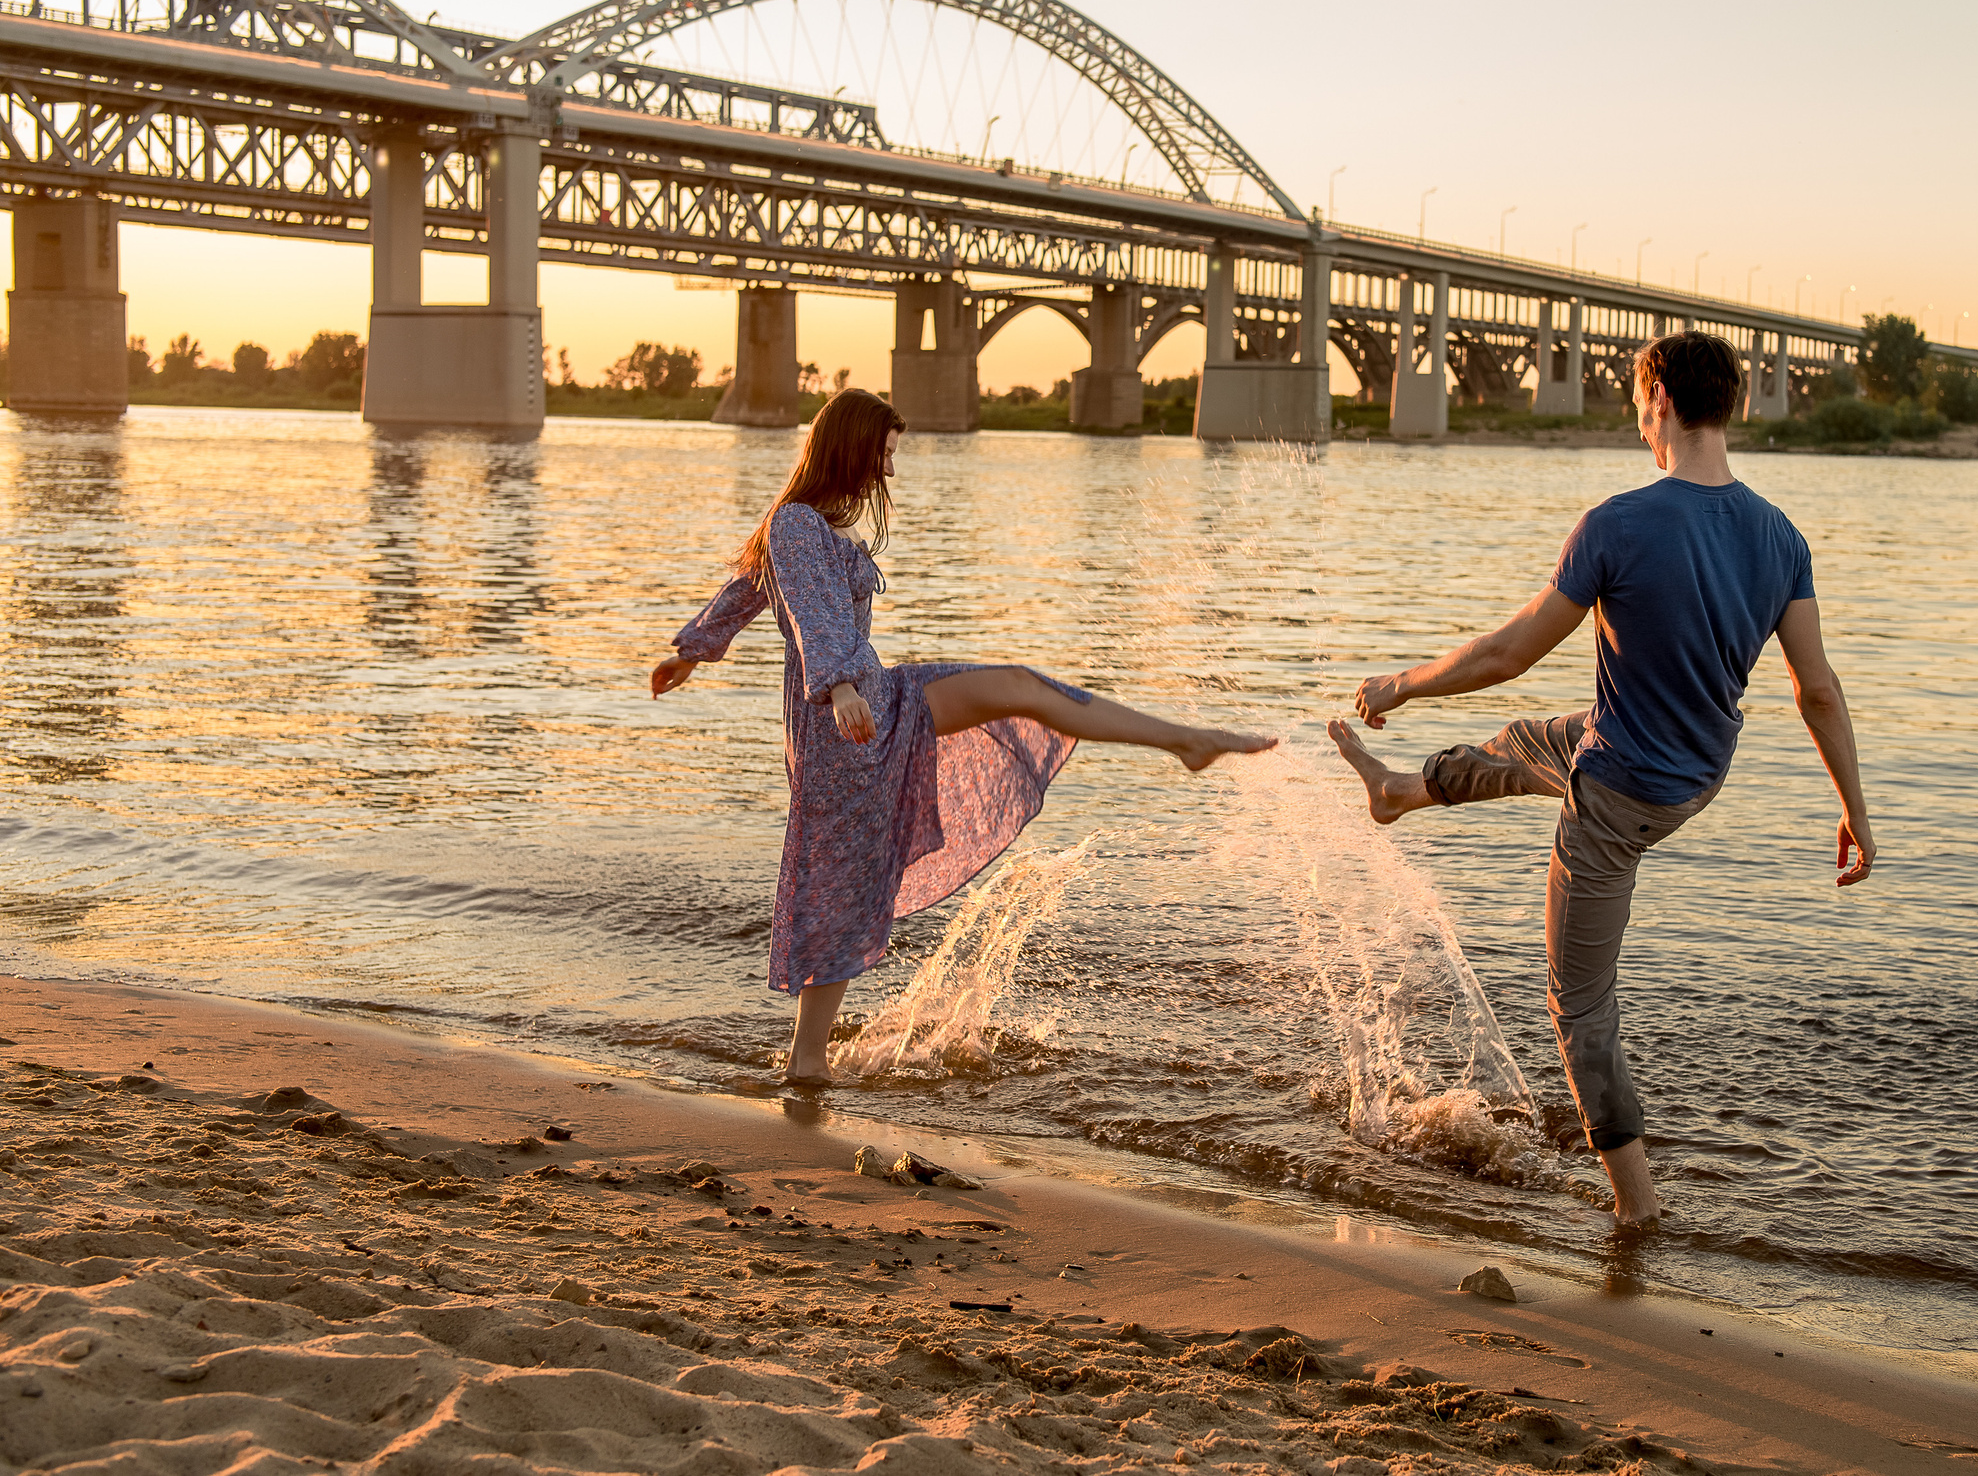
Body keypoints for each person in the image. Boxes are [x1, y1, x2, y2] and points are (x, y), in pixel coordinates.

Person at [1327, 330, 1876, 1229]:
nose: (1634, 414)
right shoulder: (1782, 537)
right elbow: (1816, 688)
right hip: (1698, 769)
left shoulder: (1618, 523)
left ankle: (1637, 1209)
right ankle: (1402, 791)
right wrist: (1855, 810)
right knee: (1530, 741)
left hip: (1620, 791)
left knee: (1579, 1004)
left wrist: (1401, 684)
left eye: (1634, 398)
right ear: (1728, 405)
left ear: (1657, 398)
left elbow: (1509, 650)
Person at [652, 389, 1274, 1082]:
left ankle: (1184, 740)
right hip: (847, 723)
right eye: (883, 453)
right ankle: (806, 1059)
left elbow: (749, 586)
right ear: (851, 446)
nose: (888, 470)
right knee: (841, 887)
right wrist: (838, 687)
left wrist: (693, 649)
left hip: (875, 699)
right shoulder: (797, 523)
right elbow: (811, 613)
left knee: (1022, 688)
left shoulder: (804, 526)